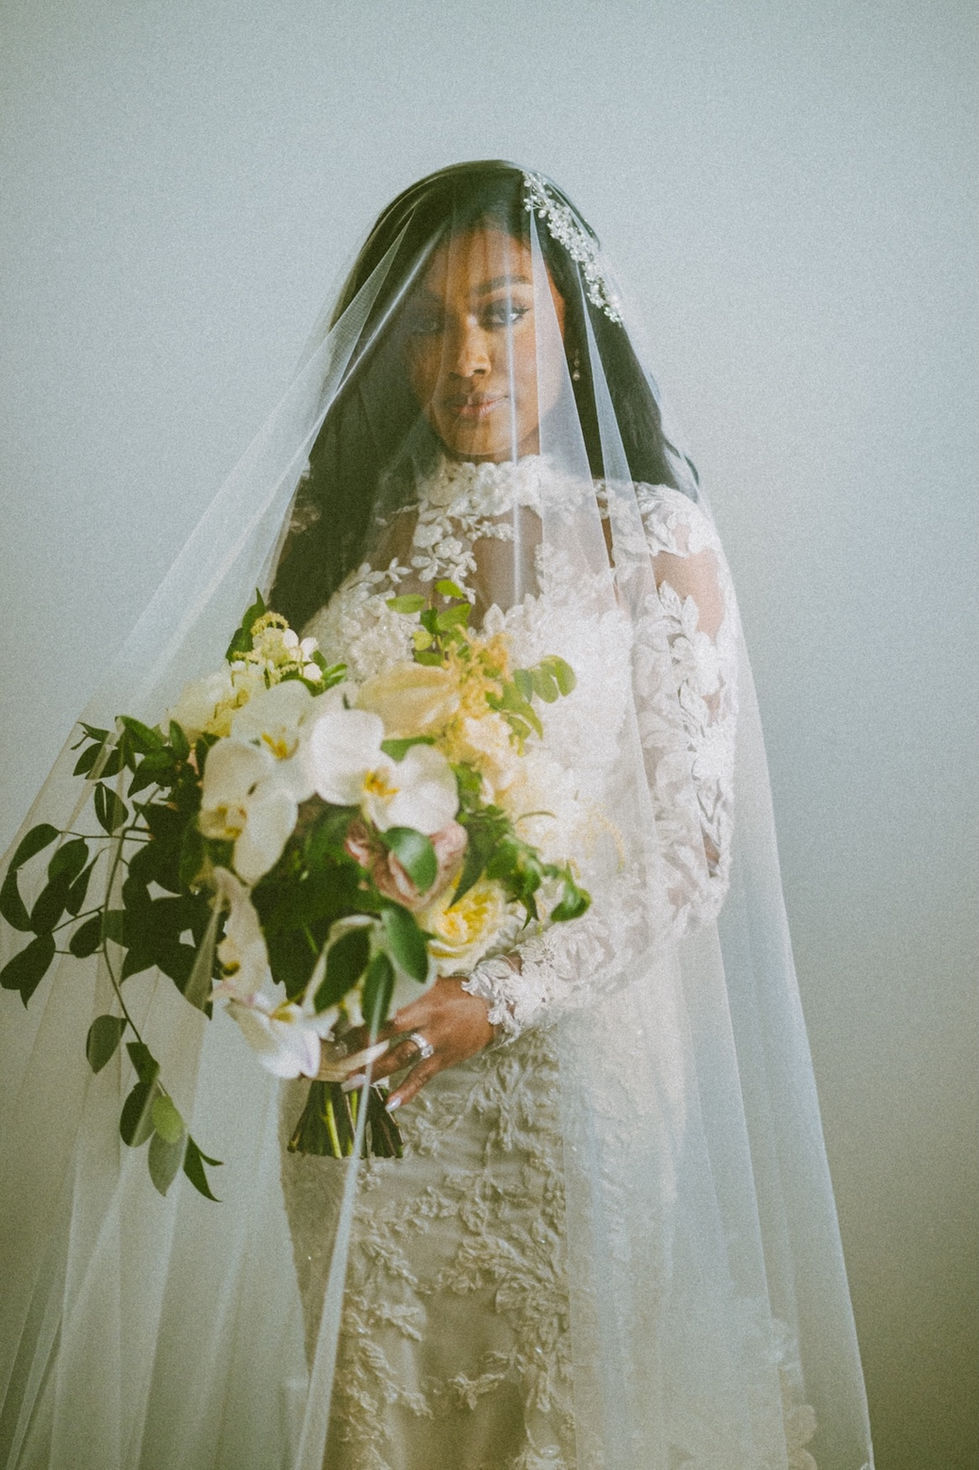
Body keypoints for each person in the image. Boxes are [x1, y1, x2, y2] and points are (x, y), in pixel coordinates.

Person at [0, 162, 875, 1469]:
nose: (466, 356)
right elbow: (250, 769)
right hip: (359, 1072)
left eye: (505, 312)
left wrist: (496, 996)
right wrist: (280, 905)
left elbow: (691, 856)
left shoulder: (652, 539)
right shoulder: (335, 529)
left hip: (565, 1078)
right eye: (428, 322)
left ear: (573, 321)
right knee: (372, 1415)